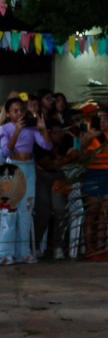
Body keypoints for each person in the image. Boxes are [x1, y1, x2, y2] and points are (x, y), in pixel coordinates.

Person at [0, 96, 52, 264]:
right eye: (15, 111)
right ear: (8, 113)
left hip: (29, 168)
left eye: (21, 110)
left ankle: (24, 252)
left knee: (26, 211)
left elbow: (47, 146)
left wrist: (43, 129)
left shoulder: (31, 129)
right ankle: (5, 253)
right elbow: (7, 152)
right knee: (9, 212)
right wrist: (16, 131)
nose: (19, 113)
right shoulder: (4, 128)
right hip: (12, 168)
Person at [79, 107, 108, 259]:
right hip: (94, 175)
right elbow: (82, 155)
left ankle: (101, 248)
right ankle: (89, 249)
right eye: (99, 119)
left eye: (105, 119)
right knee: (92, 212)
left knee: (105, 213)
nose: (102, 122)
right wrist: (88, 139)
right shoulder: (92, 137)